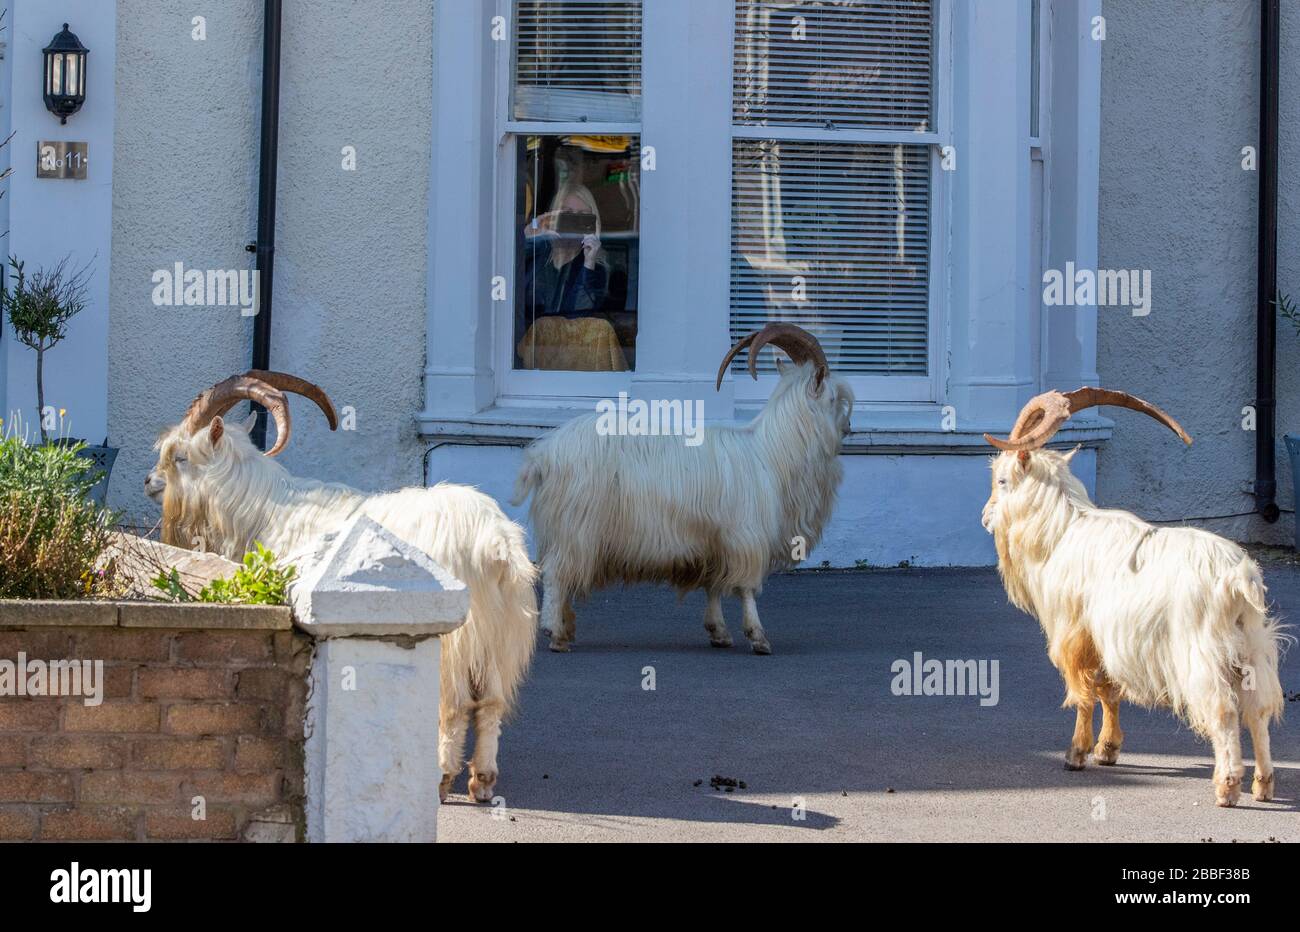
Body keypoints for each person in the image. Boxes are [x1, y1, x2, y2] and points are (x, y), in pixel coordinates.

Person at [520, 183, 609, 320]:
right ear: (553, 216)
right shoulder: (538, 252)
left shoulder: (595, 268)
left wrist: (588, 263)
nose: (572, 222)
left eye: (582, 216)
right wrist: (527, 239)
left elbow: (580, 317)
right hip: (529, 338)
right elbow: (510, 296)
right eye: (566, 214)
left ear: (591, 223)